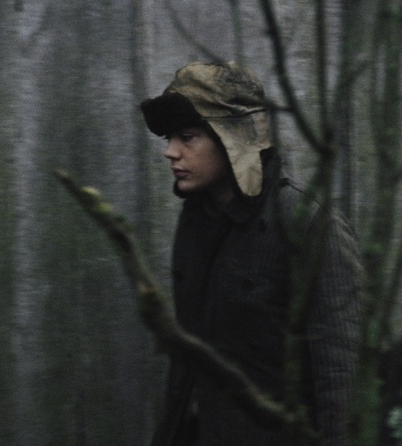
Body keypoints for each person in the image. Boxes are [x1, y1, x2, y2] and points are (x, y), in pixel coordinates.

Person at [140, 61, 362, 446]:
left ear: (232, 139)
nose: (171, 152)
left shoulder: (308, 225)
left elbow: (341, 378)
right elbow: (190, 364)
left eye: (187, 137)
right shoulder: (196, 220)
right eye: (170, 138)